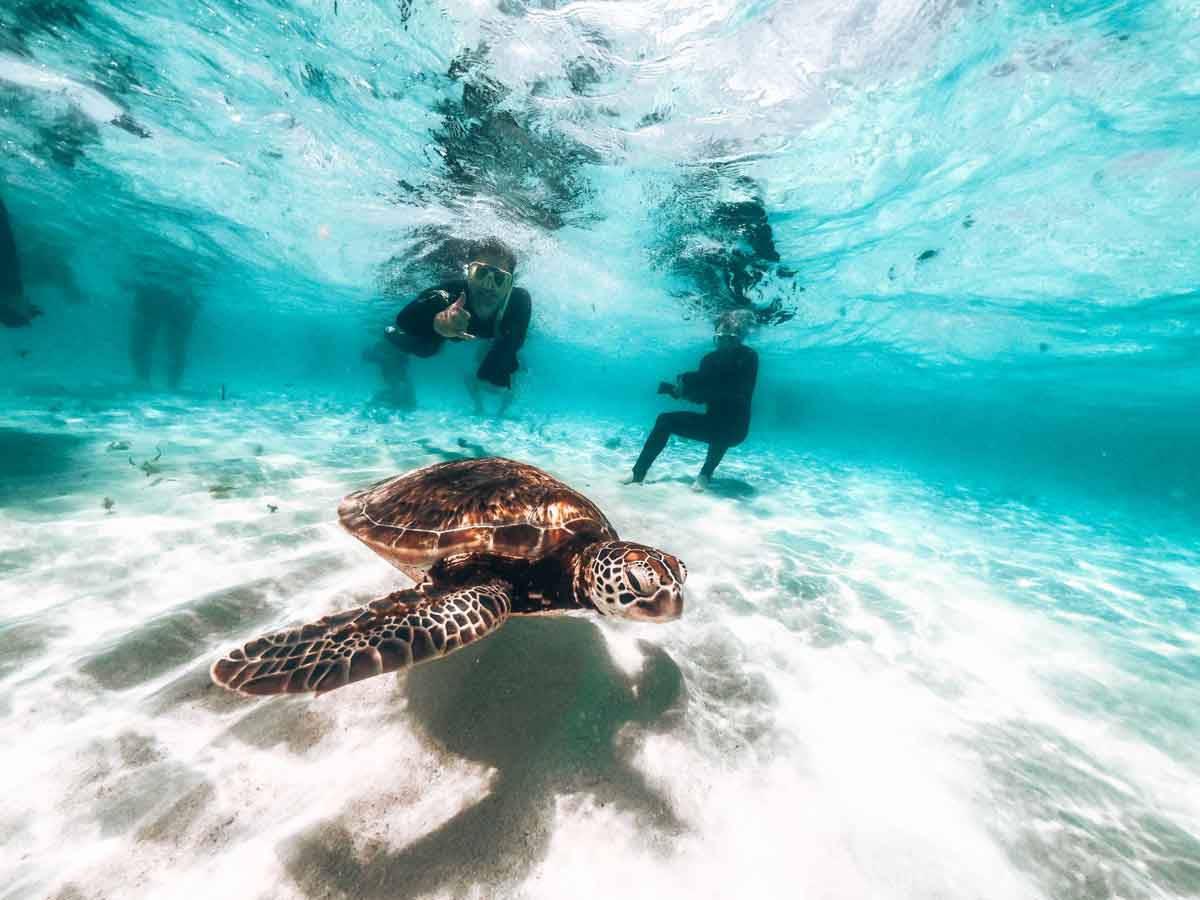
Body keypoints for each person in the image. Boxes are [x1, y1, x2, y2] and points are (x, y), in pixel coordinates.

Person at [386, 237, 531, 415]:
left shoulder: (518, 301)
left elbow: (514, 342)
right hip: (446, 330)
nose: (488, 285)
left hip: (492, 333)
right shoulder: (451, 294)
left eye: (499, 279)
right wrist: (439, 322)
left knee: (500, 363)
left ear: (510, 284)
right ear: (468, 274)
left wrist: (496, 370)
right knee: (426, 349)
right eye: (481, 273)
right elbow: (405, 319)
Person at [623, 310, 758, 492]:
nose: (725, 344)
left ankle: (705, 474)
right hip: (712, 422)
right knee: (664, 420)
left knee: (724, 428)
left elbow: (737, 391)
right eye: (720, 338)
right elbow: (704, 395)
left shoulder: (748, 357)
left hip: (734, 429)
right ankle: (638, 473)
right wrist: (683, 390)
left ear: (739, 339)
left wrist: (690, 380)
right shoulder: (709, 360)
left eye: (731, 339)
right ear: (715, 338)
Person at [129, 270, 201, 390]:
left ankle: (151, 381)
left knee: (145, 343)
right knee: (173, 347)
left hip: (159, 297)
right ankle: (152, 381)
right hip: (173, 298)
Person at [0, 194, 43, 328]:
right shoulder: (12, 289)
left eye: (27, 307)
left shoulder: (11, 285)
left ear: (14, 308)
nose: (29, 301)